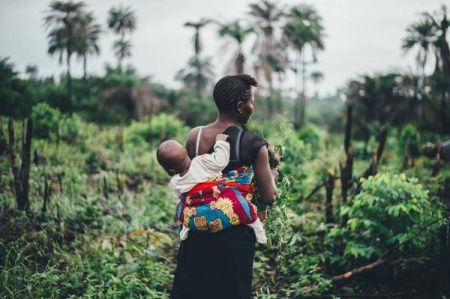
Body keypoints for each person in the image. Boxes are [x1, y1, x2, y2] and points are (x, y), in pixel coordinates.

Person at [170, 74, 278, 299]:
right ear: (240, 106)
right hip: (234, 239)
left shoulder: (195, 137)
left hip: (196, 232)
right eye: (252, 102)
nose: (252, 106)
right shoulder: (253, 144)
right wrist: (272, 177)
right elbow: (269, 197)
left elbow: (191, 178)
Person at [156, 134, 267, 243]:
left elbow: (183, 197)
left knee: (181, 208)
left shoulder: (175, 182)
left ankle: (186, 228)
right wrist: (220, 142)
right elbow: (220, 161)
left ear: (171, 172)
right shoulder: (201, 161)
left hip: (197, 208)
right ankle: (258, 229)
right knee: (239, 203)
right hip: (216, 198)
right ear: (186, 152)